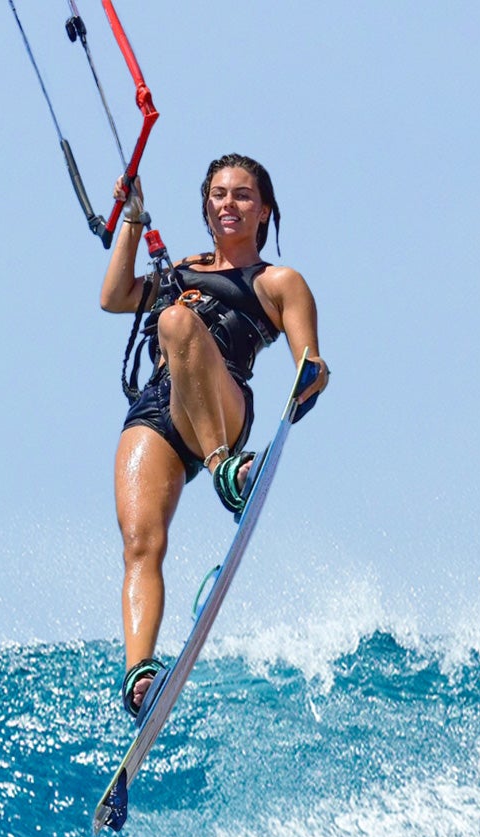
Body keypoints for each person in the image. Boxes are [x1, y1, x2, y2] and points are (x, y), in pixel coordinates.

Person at [101, 155, 330, 717]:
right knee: (140, 544)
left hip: (223, 401)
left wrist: (313, 376)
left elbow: (311, 359)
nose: (229, 204)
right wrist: (131, 219)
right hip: (159, 409)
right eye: (219, 194)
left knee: (177, 322)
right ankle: (140, 677)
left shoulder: (279, 282)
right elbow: (114, 297)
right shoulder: (178, 269)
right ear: (206, 205)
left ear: (264, 211)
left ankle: (227, 470)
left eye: (244, 196)